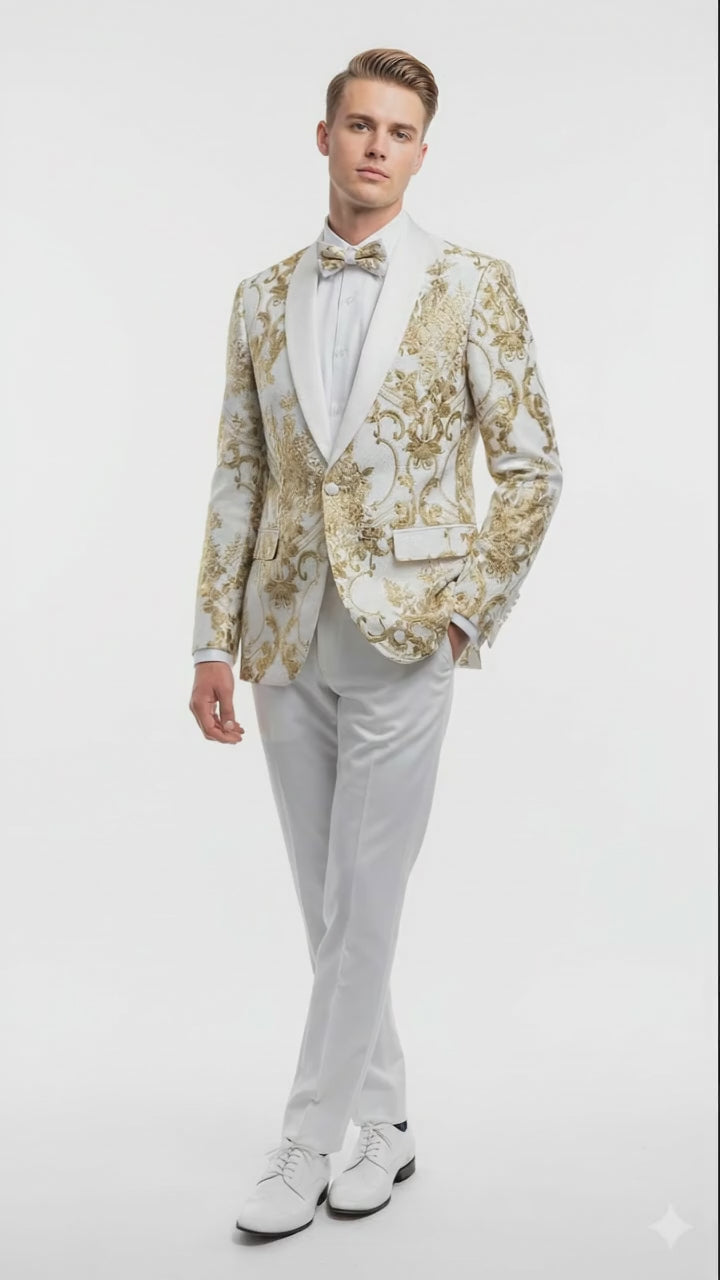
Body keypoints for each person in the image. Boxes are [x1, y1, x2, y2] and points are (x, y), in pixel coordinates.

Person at [188, 46, 563, 1240]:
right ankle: (387, 1120)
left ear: (421, 151)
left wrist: (465, 610)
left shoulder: (473, 282)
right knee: (328, 902)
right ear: (325, 136)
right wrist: (210, 638)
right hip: (285, 633)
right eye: (359, 124)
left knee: (365, 894)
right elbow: (239, 474)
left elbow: (532, 466)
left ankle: (307, 1138)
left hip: (408, 636)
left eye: (399, 132)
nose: (375, 147)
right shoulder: (260, 296)